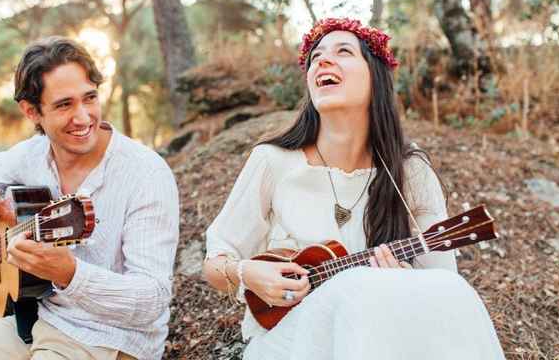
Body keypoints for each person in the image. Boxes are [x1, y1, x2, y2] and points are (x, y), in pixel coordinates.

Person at [202, 18, 505, 359]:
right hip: (287, 342)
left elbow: (439, 283)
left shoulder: (409, 171)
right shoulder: (273, 161)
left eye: (343, 51)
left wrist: (401, 282)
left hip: (382, 336)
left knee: (452, 290)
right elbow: (215, 262)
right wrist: (246, 272)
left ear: (375, 77)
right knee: (358, 288)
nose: (323, 61)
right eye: (316, 57)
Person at [0, 37, 179, 360]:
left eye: (90, 98)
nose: (84, 117)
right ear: (32, 111)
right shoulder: (31, 155)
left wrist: (71, 274)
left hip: (111, 339)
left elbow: (152, 299)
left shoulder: (146, 174)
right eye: (64, 105)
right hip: (34, 319)